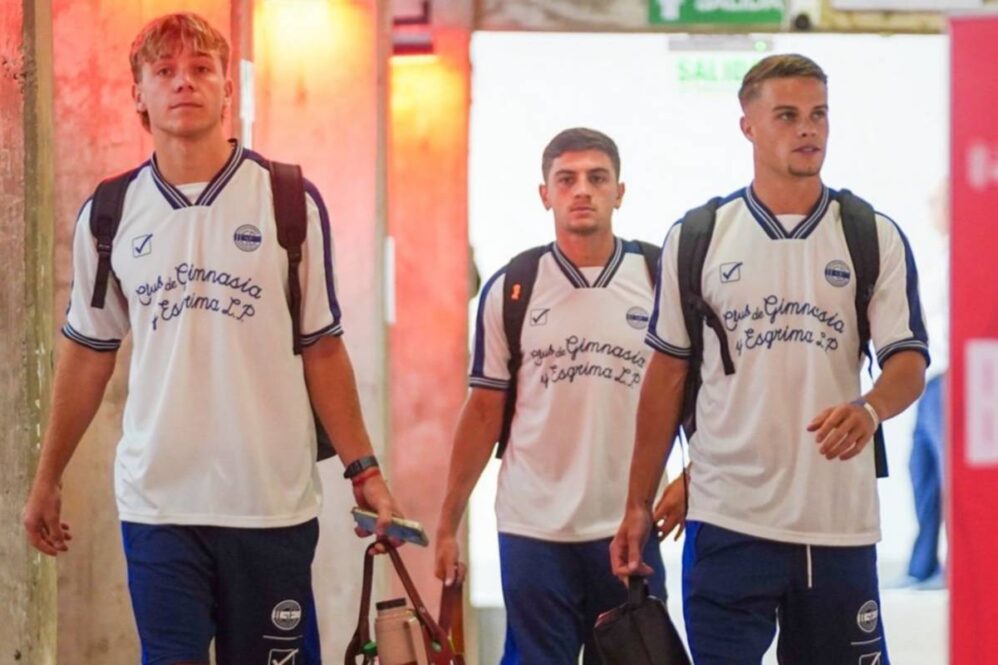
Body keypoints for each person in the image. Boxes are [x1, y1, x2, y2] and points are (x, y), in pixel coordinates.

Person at [21, 13, 401, 665]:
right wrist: (47, 475)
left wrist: (363, 470)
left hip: (270, 505)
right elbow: (87, 353)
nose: (184, 82)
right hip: (159, 504)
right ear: (138, 93)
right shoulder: (109, 214)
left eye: (201, 68)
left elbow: (322, 348)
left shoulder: (288, 200)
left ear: (229, 86)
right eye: (164, 71)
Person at [611, 54, 929, 665]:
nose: (808, 129)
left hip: (836, 525)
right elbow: (667, 375)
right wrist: (636, 503)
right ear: (748, 125)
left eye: (818, 115)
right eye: (787, 115)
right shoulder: (699, 236)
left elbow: (907, 363)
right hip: (728, 520)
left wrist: (869, 409)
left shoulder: (871, 234)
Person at [435, 127, 667, 665]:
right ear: (545, 194)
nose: (582, 190)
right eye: (566, 179)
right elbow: (484, 410)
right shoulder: (513, 286)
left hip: (627, 523)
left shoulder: (658, 280)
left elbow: (698, 399)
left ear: (620, 192)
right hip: (532, 526)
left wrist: (689, 481)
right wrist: (448, 521)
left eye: (597, 178)